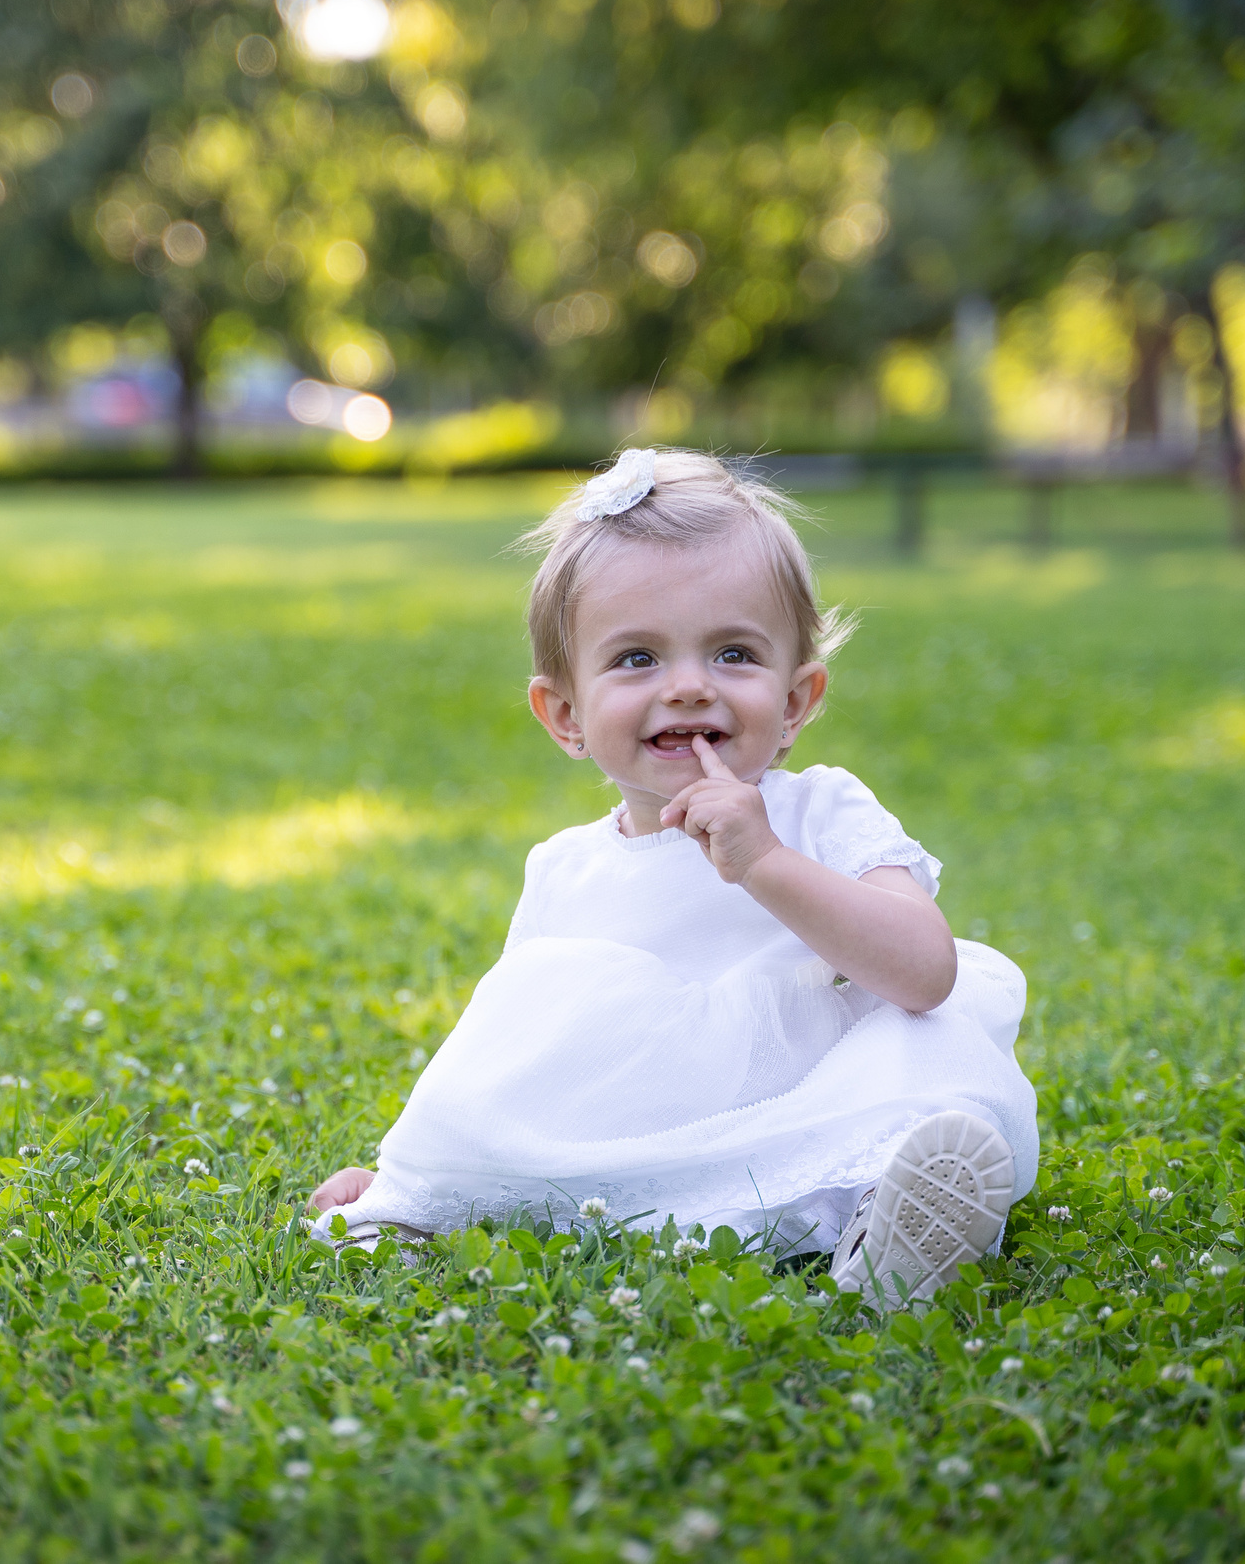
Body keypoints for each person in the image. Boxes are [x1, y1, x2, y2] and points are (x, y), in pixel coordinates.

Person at [307, 447, 1037, 1305]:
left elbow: (925, 971)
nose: (689, 687)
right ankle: (421, 1205)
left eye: (733, 653)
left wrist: (767, 862)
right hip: (639, 1131)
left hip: (803, 1101)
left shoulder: (821, 812)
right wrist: (408, 1162)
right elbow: (501, 1056)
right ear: (567, 715)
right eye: (637, 659)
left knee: (931, 1045)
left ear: (798, 699)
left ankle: (888, 1222)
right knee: (503, 1124)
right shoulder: (566, 869)